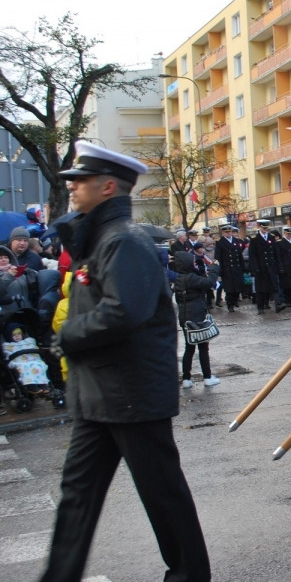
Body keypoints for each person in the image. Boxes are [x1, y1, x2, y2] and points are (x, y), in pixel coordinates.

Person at [41, 141, 209, 581]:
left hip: (132, 395)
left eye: (81, 181)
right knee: (76, 496)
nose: (73, 189)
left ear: (108, 187)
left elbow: (123, 311)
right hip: (99, 395)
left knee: (162, 495)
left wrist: (67, 335)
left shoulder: (124, 241)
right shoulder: (99, 240)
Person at [174, 245, 221, 388]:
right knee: (203, 347)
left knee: (189, 347)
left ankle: (187, 379)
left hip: (184, 317)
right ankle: (207, 377)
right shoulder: (190, 278)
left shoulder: (179, 278)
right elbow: (209, 283)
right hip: (196, 317)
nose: (194, 263)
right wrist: (214, 268)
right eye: (192, 262)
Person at [248, 219, 284, 314]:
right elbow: (252, 255)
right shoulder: (254, 239)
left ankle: (278, 305)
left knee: (274, 286)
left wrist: (279, 266)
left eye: (266, 228)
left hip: (271, 267)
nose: (265, 230)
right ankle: (260, 307)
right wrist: (255, 268)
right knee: (260, 289)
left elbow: (276, 253)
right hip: (261, 268)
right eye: (263, 228)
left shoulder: (271, 237)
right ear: (259, 227)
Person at [215, 223, 245, 312]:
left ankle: (235, 299)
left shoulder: (236, 241)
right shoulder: (220, 242)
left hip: (237, 267)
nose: (228, 234)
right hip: (227, 269)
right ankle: (230, 305)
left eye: (230, 232)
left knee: (238, 286)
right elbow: (218, 257)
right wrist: (219, 269)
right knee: (229, 289)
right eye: (226, 232)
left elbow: (240, 255)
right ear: (223, 233)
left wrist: (243, 267)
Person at [277, 226, 291, 309]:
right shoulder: (279, 243)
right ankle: (288, 301)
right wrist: (280, 267)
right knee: (286, 285)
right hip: (285, 267)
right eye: (287, 233)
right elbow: (278, 256)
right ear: (284, 233)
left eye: (290, 233)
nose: (289, 235)